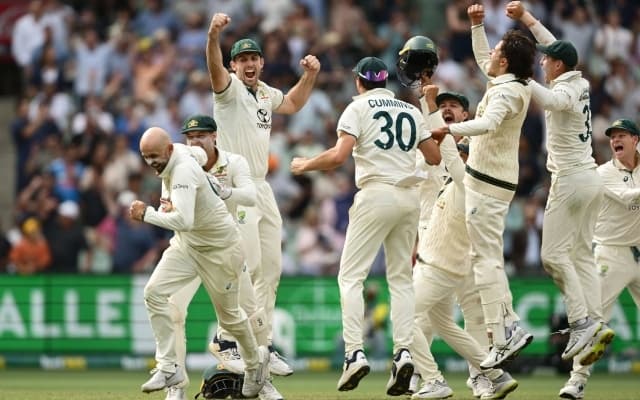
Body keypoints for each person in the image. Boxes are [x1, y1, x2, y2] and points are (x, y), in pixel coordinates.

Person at [290, 56, 441, 396]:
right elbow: (433, 157)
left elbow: (339, 156)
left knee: (351, 277)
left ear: (359, 81)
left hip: (376, 194)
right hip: (409, 198)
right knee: (401, 280)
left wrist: (305, 164)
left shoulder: (356, 108)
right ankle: (403, 353)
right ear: (385, 81)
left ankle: (354, 353)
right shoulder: (410, 111)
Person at [206, 12, 321, 376]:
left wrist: (311, 76)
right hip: (234, 184)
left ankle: (262, 344)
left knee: (271, 269)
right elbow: (213, 69)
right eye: (241, 59)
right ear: (233, 65)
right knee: (247, 265)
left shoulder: (266, 93)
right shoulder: (228, 91)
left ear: (262, 62)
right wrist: (213, 35)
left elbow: (292, 104)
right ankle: (227, 339)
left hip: (262, 186)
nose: (249, 64)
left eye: (253, 58)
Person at [506, 0, 615, 376]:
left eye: (546, 60)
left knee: (553, 257)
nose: (541, 61)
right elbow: (551, 42)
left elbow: (553, 100)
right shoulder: (578, 77)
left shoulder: (567, 90)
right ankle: (596, 321)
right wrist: (525, 18)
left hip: (570, 180)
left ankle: (582, 324)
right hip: (591, 178)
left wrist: (520, 78)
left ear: (559, 65)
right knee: (581, 255)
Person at [430, 3, 536, 369]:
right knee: (484, 258)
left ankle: (507, 330)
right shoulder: (509, 82)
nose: (490, 55)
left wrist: (448, 129)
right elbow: (483, 58)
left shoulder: (506, 93)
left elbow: (487, 123)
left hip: (488, 184)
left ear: (505, 63)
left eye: (497, 52)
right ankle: (505, 328)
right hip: (491, 181)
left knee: (486, 260)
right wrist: (477, 25)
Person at [130, 127, 269, 398]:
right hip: (187, 246)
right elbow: (200, 156)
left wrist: (145, 214)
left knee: (231, 318)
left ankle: (255, 363)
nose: (151, 163)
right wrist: (162, 209)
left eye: (155, 156)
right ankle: (169, 366)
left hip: (220, 250)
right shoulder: (180, 155)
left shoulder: (181, 170)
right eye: (146, 157)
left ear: (169, 149)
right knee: (154, 294)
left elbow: (184, 220)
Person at [164, 115, 283, 400]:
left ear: (215, 136)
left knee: (251, 315)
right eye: (190, 138)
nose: (195, 142)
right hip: (188, 248)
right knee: (172, 309)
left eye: (201, 136)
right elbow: (168, 208)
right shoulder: (176, 167)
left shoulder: (234, 163)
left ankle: (260, 380)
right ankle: (175, 385)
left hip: (224, 251)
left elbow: (251, 196)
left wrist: (224, 191)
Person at [558, 118, 640, 399]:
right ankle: (576, 381)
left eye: (622, 136)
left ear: (635, 140)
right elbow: (630, 199)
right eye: (612, 136)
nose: (615, 140)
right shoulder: (603, 173)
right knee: (594, 320)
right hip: (611, 252)